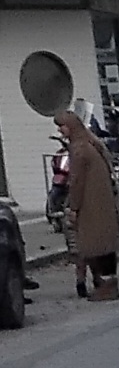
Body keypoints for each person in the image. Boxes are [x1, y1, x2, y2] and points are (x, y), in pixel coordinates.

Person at [55, 108, 118, 299]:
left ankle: (107, 287)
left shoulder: (79, 149)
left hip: (90, 204)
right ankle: (108, 283)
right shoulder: (91, 143)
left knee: (94, 245)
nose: (60, 130)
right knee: (104, 243)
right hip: (102, 201)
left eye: (62, 126)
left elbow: (77, 181)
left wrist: (73, 207)